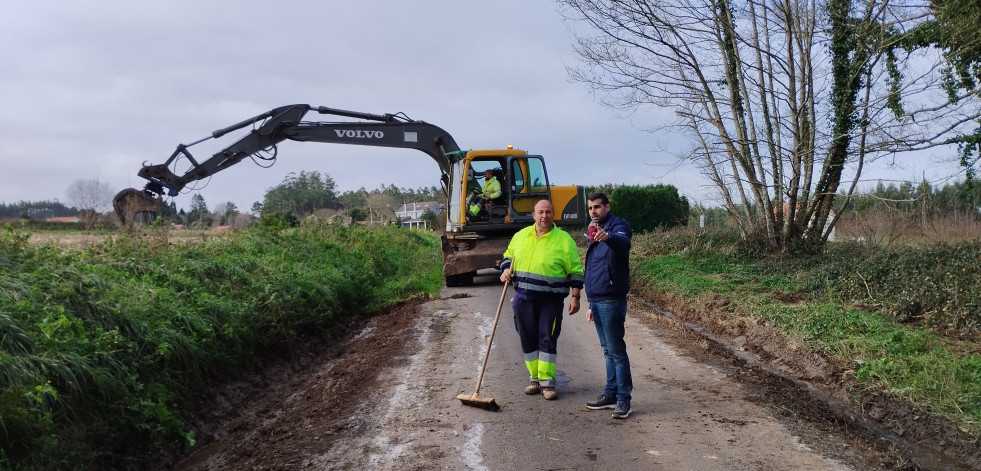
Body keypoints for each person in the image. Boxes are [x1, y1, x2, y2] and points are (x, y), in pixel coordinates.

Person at [499, 199, 584, 400]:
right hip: (523, 298)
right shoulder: (521, 236)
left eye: (548, 212)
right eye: (540, 212)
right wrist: (504, 270)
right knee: (527, 337)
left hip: (550, 300)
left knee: (547, 337)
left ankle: (547, 384)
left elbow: (575, 271)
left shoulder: (564, 240)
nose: (544, 216)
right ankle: (534, 379)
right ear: (533, 214)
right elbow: (507, 257)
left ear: (553, 214)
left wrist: (575, 296)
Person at [582, 192, 634, 419]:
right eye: (591, 208)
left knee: (617, 352)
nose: (593, 211)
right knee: (607, 351)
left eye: (597, 207)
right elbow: (593, 266)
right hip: (597, 297)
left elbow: (623, 243)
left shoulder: (618, 226)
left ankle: (624, 399)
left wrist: (608, 237)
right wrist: (590, 301)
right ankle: (611, 393)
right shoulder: (591, 230)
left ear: (607, 207)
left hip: (612, 298)